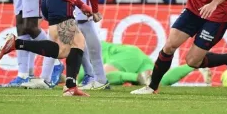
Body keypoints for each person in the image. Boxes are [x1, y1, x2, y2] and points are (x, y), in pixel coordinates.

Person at [77, 41, 213, 86]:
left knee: (100, 77)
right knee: (158, 82)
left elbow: (82, 74)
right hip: (138, 57)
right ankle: (195, 64)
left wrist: (71, 82)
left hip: (125, 56)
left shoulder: (82, 45)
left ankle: (137, 78)